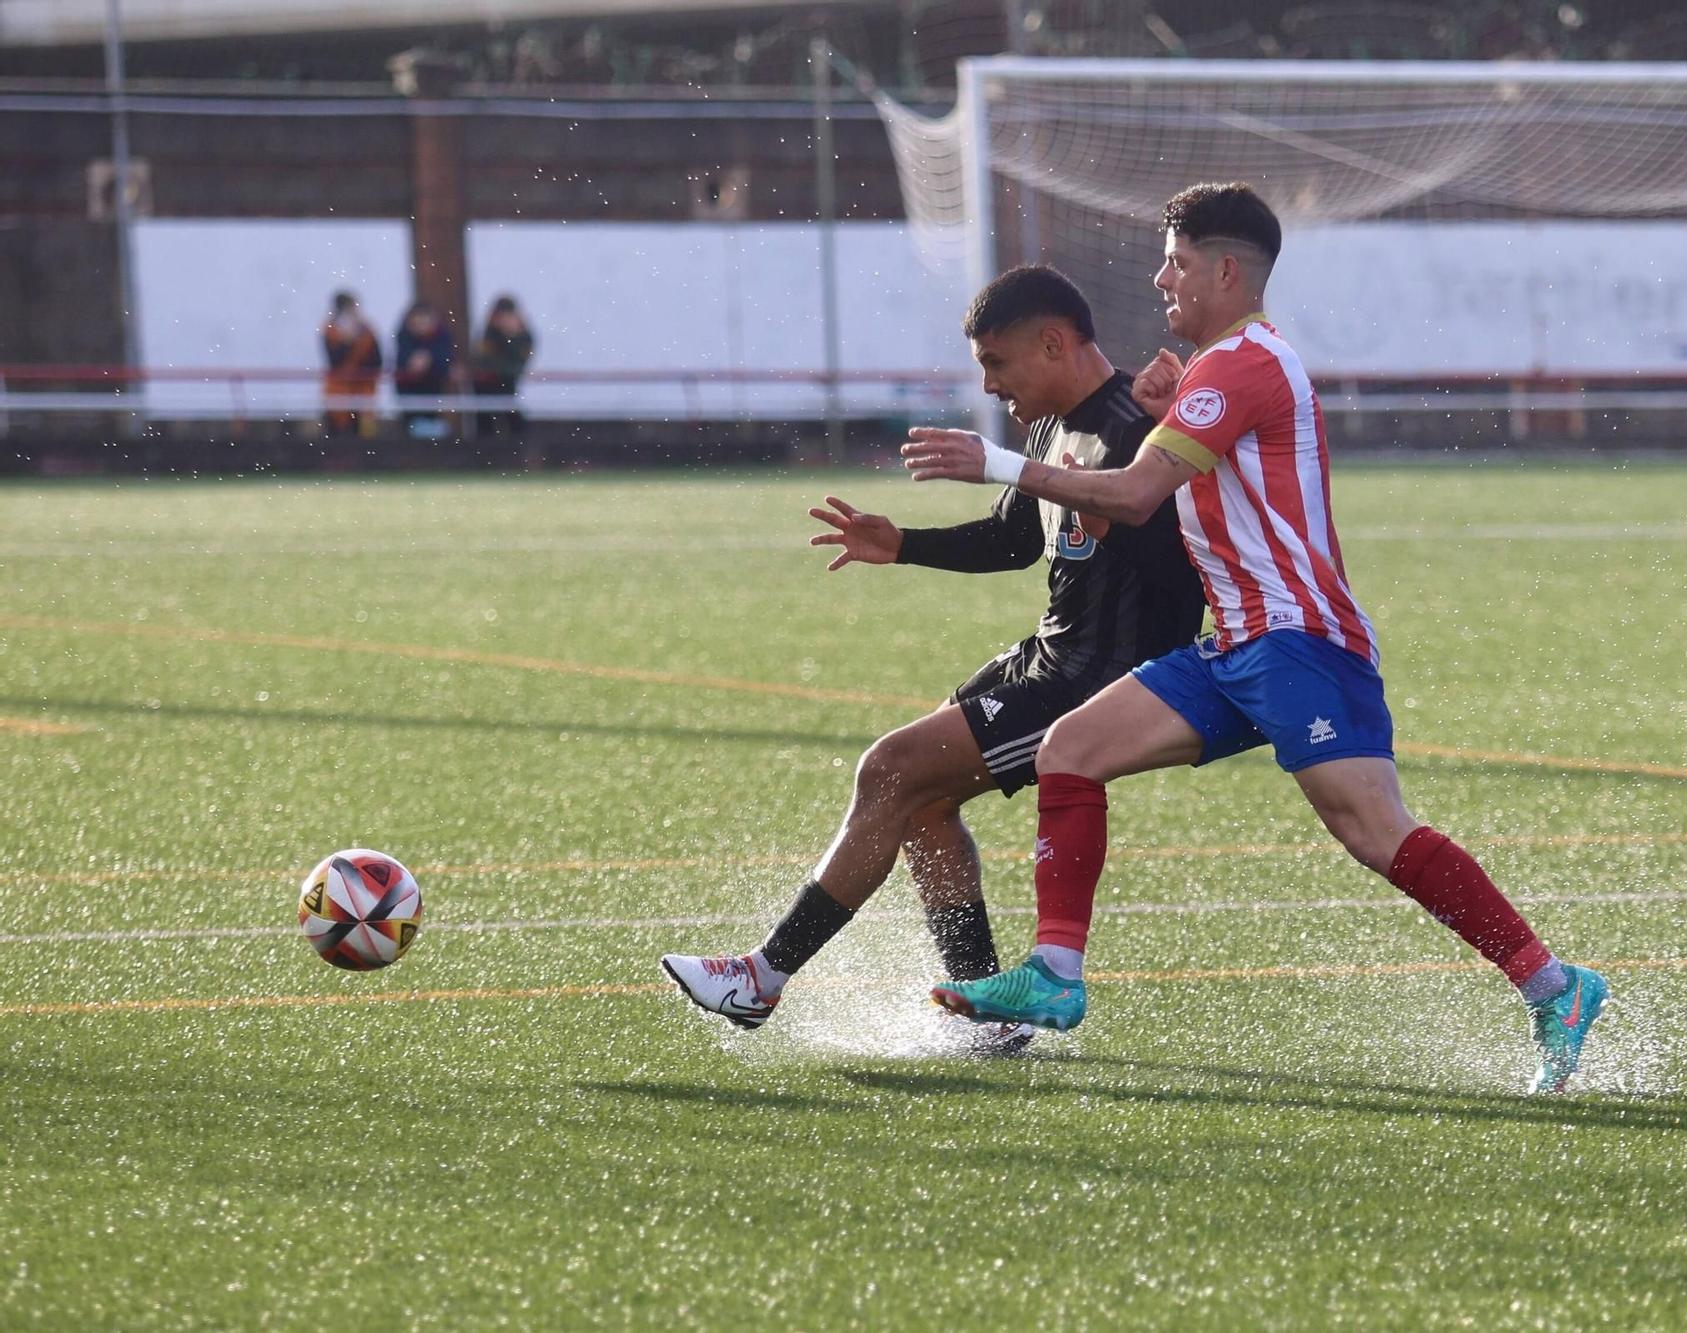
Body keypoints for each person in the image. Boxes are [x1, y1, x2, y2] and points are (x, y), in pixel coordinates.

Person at [902, 184, 1610, 1094]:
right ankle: (1056, 975)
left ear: (1226, 271)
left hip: (1301, 639)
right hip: (1235, 646)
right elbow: (1139, 503)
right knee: (1070, 748)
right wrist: (1159, 408)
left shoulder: (1244, 365)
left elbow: (1131, 497)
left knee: (1372, 829)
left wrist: (997, 462)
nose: (1163, 278)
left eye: (1179, 262)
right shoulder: (1211, 371)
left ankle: (1556, 987)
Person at [659, 265, 1205, 1054]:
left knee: (892, 767)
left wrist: (1113, 513)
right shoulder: (1054, 422)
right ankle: (996, 1020)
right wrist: (903, 544)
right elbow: (1018, 537)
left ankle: (761, 977)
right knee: (918, 802)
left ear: (1053, 343)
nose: (989, 384)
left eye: (996, 363)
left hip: (1103, 680)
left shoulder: (1137, 424)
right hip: (1050, 655)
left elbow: (1184, 571)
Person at [471, 295, 535, 438]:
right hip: (486, 384)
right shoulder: (489, 335)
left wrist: (510, 338)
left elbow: (517, 362)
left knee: (511, 416)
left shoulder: (523, 336)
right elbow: (482, 360)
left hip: (507, 382)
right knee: (485, 419)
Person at [320, 291, 382, 436]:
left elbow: (376, 361)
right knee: (337, 431)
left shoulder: (367, 332)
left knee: (363, 433)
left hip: (363, 390)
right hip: (338, 391)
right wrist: (348, 342)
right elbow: (334, 361)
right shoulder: (331, 331)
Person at [394, 301, 455, 439]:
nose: (421, 327)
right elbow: (401, 360)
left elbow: (446, 359)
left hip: (435, 391)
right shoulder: (404, 336)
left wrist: (430, 359)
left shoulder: (442, 336)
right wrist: (412, 361)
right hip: (409, 393)